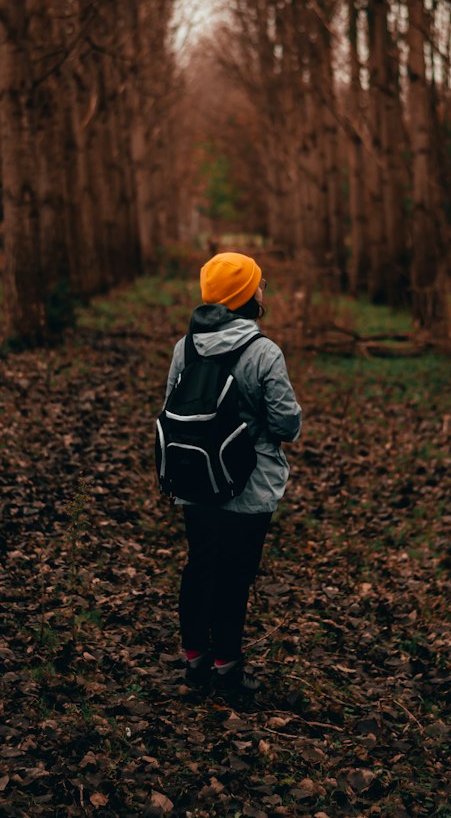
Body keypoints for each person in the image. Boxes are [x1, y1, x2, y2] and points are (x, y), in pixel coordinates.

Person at [165, 251, 302, 695]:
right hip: (249, 487)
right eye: (260, 283)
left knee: (200, 566)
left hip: (195, 482)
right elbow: (286, 425)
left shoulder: (184, 348)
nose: (264, 288)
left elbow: (172, 408)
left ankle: (194, 664)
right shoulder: (263, 352)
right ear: (246, 296)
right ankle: (227, 669)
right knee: (234, 577)